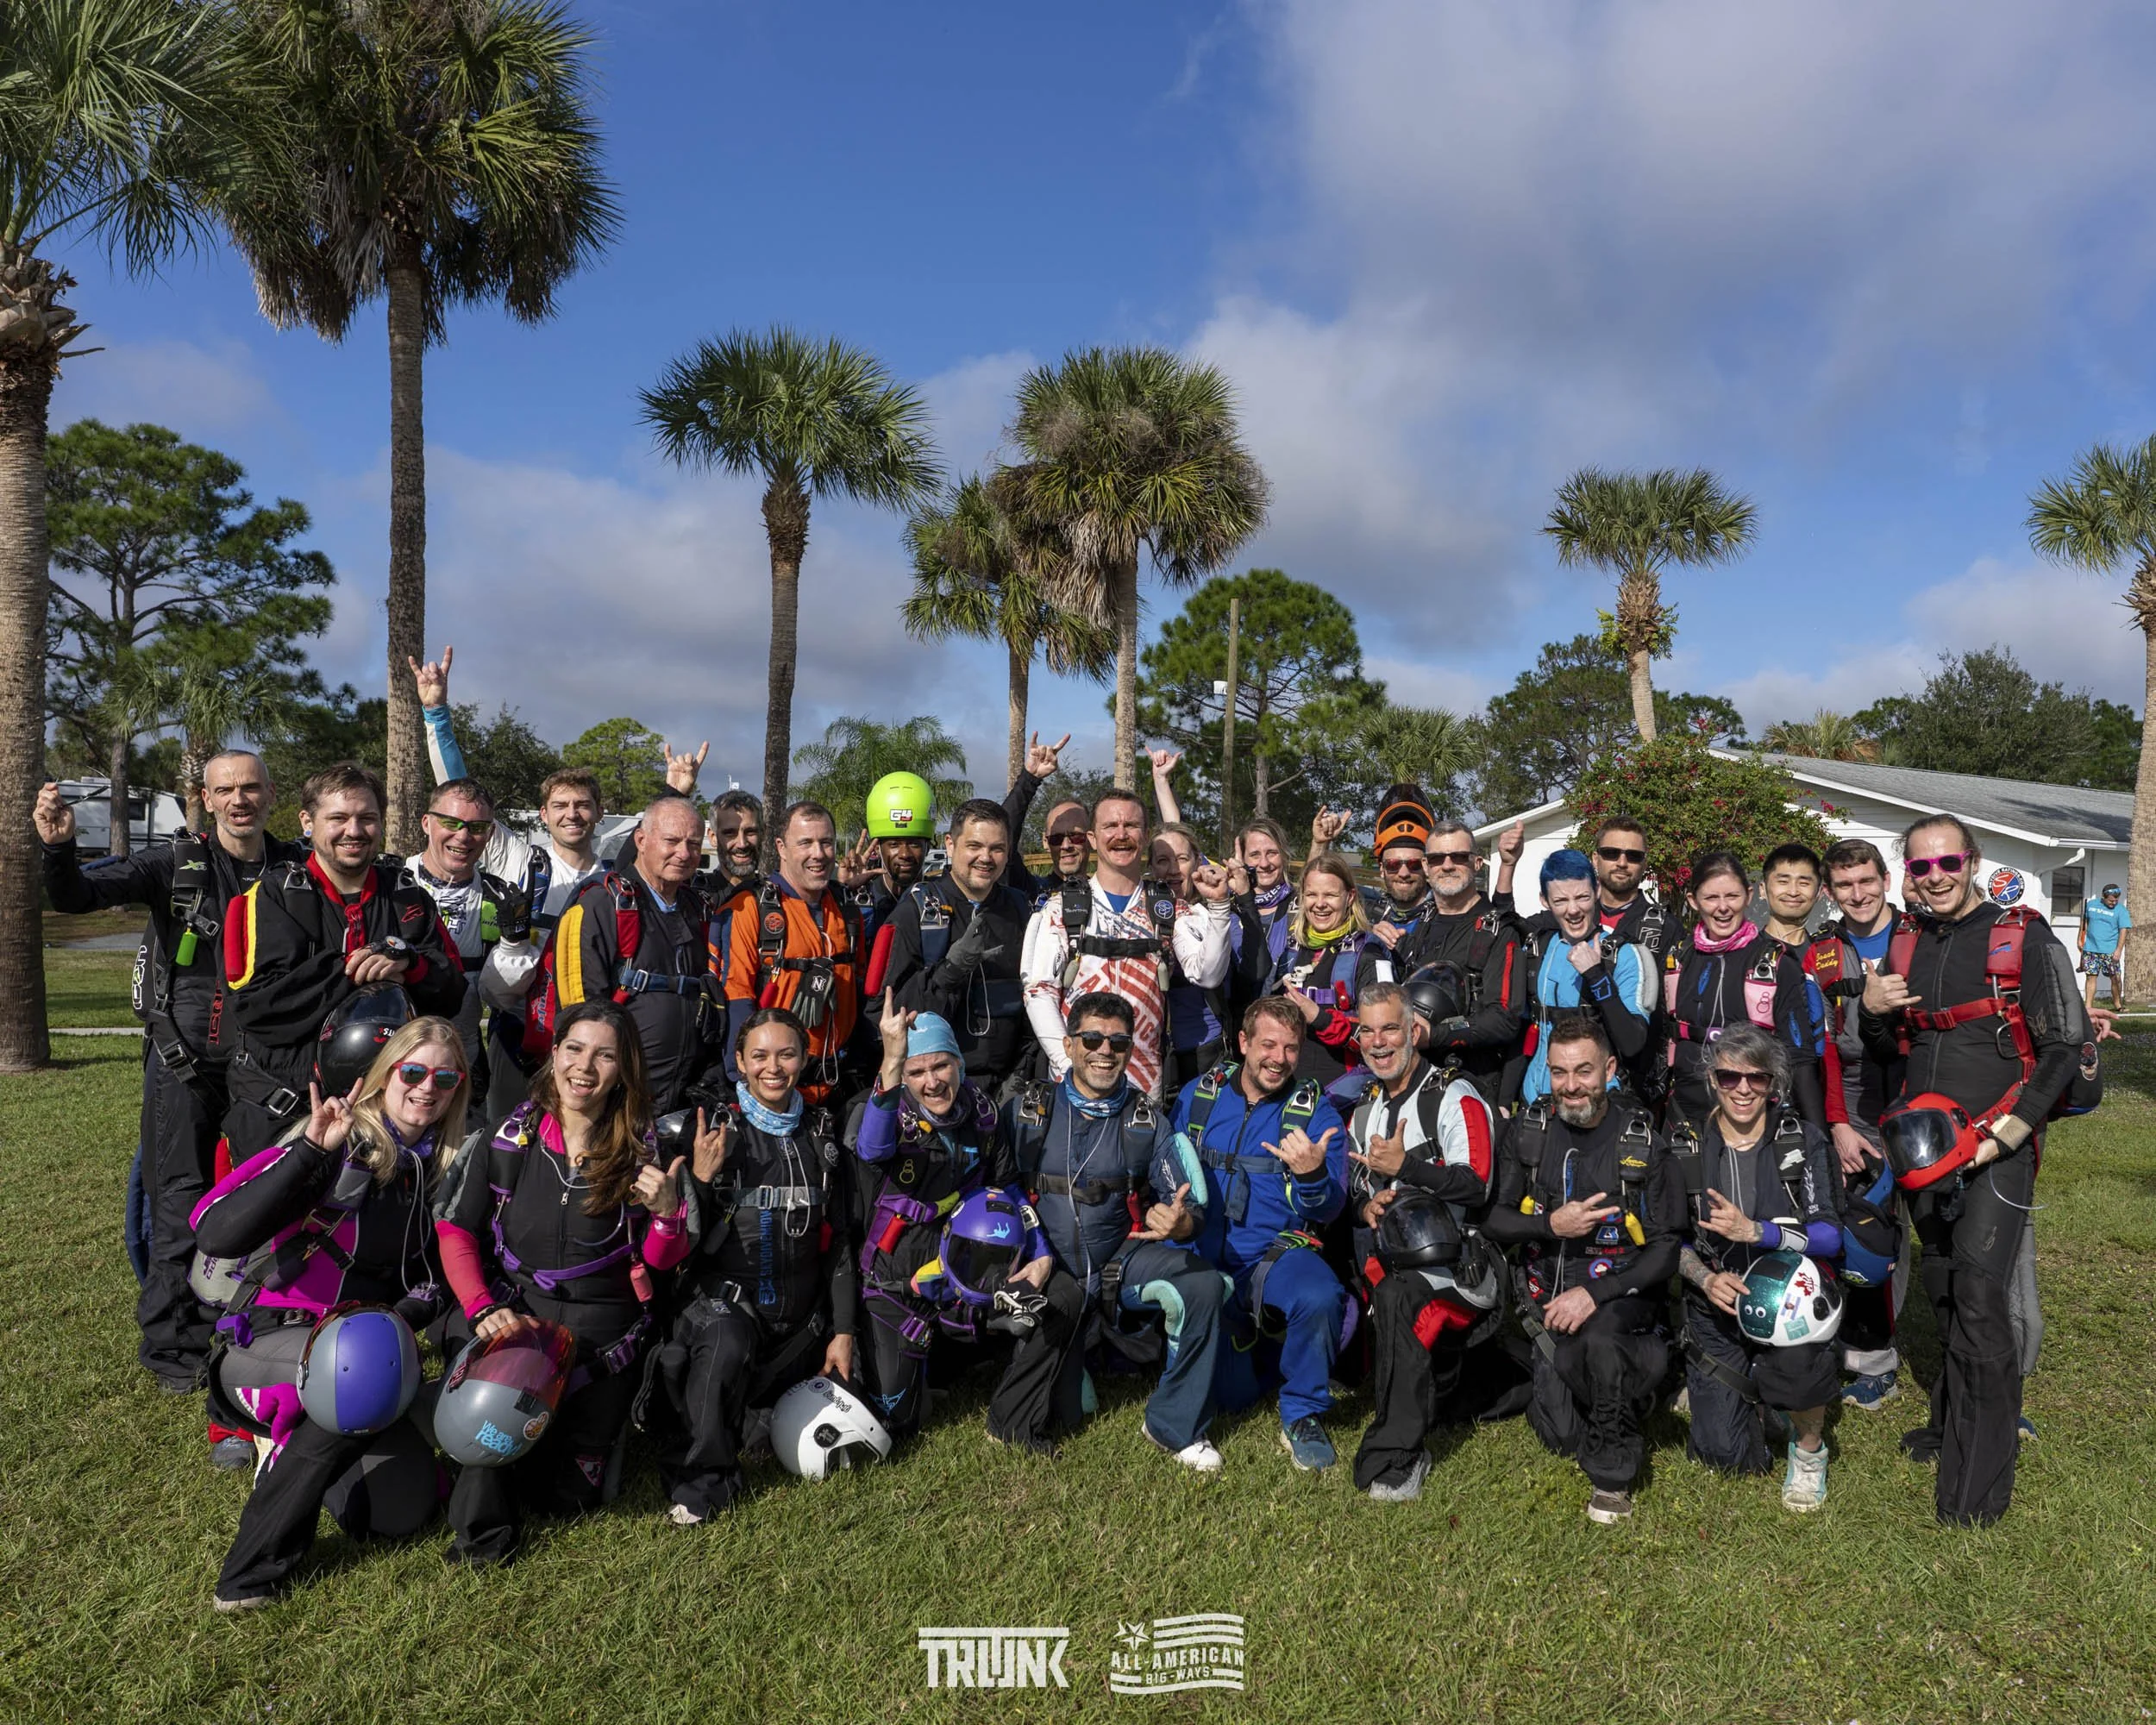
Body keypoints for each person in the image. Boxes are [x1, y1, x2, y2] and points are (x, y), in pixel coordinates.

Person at [35, 756, 305, 1394]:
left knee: (268, 1198)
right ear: (206, 799)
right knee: (178, 1203)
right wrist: (59, 846)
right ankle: (174, 1346)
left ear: (270, 794)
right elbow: (77, 897)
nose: (240, 800)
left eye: (250, 788)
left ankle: (266, 1324)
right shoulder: (173, 863)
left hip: (266, 1066)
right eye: (226, 791)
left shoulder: (296, 866)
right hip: (183, 1060)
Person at [194, 1019, 469, 1608]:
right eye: (412, 1072)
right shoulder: (337, 1140)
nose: (427, 1088)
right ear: (382, 1076)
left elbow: (435, 1282)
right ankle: (249, 1575)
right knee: (363, 1368)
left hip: (359, 1357)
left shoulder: (442, 1164)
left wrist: (408, 1317)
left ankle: (306, 1446)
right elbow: (216, 1230)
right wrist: (308, 1153)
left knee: (398, 1515)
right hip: (264, 1351)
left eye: (444, 1077)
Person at [1860, 813, 2082, 1526]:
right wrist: (1868, 1010)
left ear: (1973, 860)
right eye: (1921, 868)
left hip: (1997, 1146)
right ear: (1909, 875)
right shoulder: (1905, 941)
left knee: (1983, 1301)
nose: (1937, 877)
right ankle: (1948, 1423)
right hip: (1925, 1146)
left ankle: (1977, 1489)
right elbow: (1889, 1045)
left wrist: (2011, 1133)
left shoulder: (2021, 935)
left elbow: (2064, 1047)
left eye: (1948, 862)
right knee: (1945, 1286)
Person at [434, 1001, 692, 1565]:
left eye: (605, 1056)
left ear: (624, 1070)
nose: (585, 1067)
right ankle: (483, 1544)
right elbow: (454, 1229)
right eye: (574, 1049)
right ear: (553, 1056)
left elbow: (660, 1259)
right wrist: (480, 1308)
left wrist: (669, 1214)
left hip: (604, 1334)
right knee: (492, 1429)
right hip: (519, 1315)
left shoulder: (645, 1149)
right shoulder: (507, 1139)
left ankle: (567, 1441)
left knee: (569, 1500)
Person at [849, 999, 1084, 1452]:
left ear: (959, 1062)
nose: (932, 1081)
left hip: (968, 1270)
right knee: (898, 1422)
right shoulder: (886, 1108)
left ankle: (1009, 1416)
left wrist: (1039, 1255)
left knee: (1060, 1296)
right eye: (918, 1072)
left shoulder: (982, 1114)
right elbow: (873, 1150)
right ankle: (932, 1364)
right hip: (898, 1283)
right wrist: (893, 1059)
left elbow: (1011, 1190)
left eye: (941, 1065)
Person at [650, 1007, 856, 1525]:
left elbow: (840, 1243)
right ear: (739, 1061)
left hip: (802, 1326)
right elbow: (674, 1251)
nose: (773, 1067)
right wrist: (697, 1182)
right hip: (725, 1314)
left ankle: (754, 1418)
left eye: (786, 1054)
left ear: (805, 1059)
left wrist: (843, 1332)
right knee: (725, 1343)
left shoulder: (823, 1135)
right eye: (759, 1055)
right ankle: (704, 1484)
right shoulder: (709, 1131)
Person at [1006, 991, 1226, 1471]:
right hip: (1048, 1266)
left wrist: (1182, 1222)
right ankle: (1065, 1361)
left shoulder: (1148, 1121)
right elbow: (992, 1187)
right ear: (1068, 1045)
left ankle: (1174, 1425)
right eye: (1092, 1039)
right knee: (1070, 1413)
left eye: (1118, 1043)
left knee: (1203, 1284)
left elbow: (1192, 1205)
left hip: (1119, 1261)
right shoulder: (1027, 1112)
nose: (1105, 1051)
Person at [1483, 1014, 1684, 1524]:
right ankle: (1639, 1388)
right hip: (1548, 1297)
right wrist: (1552, 1225)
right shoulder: (1530, 1131)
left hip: (1620, 1298)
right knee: (1561, 1435)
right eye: (1558, 1072)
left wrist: (1598, 1295)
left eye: (1584, 1071)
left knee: (1602, 1344)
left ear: (1610, 1069)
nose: (1571, 1087)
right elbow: (1495, 1220)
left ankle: (1612, 1477)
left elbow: (1665, 1249)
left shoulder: (1643, 1143)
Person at [220, 762, 465, 1162]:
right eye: (338, 818)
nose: (354, 831)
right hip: (286, 1110)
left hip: (389, 1117)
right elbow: (257, 1007)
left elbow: (453, 992)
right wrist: (353, 968)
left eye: (367, 818)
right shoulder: (272, 897)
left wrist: (411, 965)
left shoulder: (409, 898)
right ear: (307, 822)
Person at [412, 649, 611, 1117]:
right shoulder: (521, 858)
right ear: (543, 816)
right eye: (560, 806)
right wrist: (436, 711)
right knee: (507, 1146)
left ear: (600, 814)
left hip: (588, 1041)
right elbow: (458, 798)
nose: (572, 815)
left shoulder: (615, 882)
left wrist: (676, 792)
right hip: (518, 1033)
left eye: (583, 805)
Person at [1345, 983, 1507, 1502]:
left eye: (1390, 1028)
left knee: (1400, 1300)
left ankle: (1398, 1457)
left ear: (1414, 1032)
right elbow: (1359, 1185)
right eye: (1367, 1030)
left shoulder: (1453, 1095)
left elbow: (1477, 1183)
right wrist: (1364, 1204)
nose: (1378, 1042)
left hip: (1461, 1265)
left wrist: (1408, 1167)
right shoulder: (1365, 1108)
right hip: (1393, 1257)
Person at [1175, 997, 1351, 1471]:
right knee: (1235, 1398)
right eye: (1268, 1044)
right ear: (1243, 1043)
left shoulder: (1317, 1115)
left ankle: (1303, 1413)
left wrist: (1313, 1175)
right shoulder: (1199, 1096)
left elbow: (1331, 1206)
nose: (1278, 1058)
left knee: (1320, 1293)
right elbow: (1168, 1168)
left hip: (1271, 1255)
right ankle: (1246, 1353)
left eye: (1291, 1049)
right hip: (1201, 1251)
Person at [1671, 1026, 1842, 1512]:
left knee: (1801, 1350)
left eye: (1757, 1079)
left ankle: (1809, 1453)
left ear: (1775, 1084)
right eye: (1729, 1077)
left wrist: (1759, 1233)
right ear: (1711, 1080)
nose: (1743, 1089)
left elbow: (1831, 1236)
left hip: (1792, 1299)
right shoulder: (1686, 1147)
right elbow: (1671, 1240)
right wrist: (1703, 1278)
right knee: (1726, 1457)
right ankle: (1757, 1396)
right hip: (1718, 1302)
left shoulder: (1803, 1141)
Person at [1022, 788, 1232, 1101]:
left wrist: (1219, 908)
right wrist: (1068, 1064)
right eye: (1110, 826)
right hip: (1073, 1085)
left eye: (1131, 826)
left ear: (1145, 836)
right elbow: (1039, 992)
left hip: (1143, 1086)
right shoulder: (1062, 907)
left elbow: (1207, 974)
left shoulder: (1168, 908)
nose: (1121, 835)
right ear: (1092, 838)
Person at [1813, 839, 1908, 1408]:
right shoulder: (1822, 951)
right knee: (1867, 1238)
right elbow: (1823, 1044)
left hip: (1926, 1104)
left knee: (1940, 1239)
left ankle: (1959, 1352)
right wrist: (1839, 1124)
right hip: (1856, 1113)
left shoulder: (1921, 935)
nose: (1858, 894)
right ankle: (1873, 1361)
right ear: (1830, 892)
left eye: (1866, 881)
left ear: (1886, 880)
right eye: (1844, 885)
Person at [556, 794, 723, 1114]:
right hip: (616, 1098)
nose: (684, 853)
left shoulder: (697, 908)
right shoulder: (602, 904)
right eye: (671, 841)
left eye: (693, 843)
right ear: (642, 841)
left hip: (686, 1099)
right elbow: (577, 1012)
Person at [874, 799, 1034, 1095]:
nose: (985, 858)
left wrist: (1025, 1071)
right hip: (935, 1089)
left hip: (1010, 1087)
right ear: (950, 844)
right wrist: (949, 973)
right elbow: (881, 1013)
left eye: (997, 849)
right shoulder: (917, 910)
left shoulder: (1020, 908)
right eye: (974, 846)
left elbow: (1034, 1004)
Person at [1660, 850, 1827, 1135]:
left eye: (1732, 897)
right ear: (1692, 901)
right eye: (1711, 898)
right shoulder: (1679, 958)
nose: (1723, 908)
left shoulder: (1775, 964)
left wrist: (1820, 1143)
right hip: (1685, 1116)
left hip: (1754, 1115)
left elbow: (1800, 1060)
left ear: (1749, 896)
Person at [721, 800, 867, 1107]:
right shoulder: (750, 909)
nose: (818, 854)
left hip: (839, 1087)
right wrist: (742, 1085)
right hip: (774, 1091)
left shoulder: (846, 910)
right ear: (781, 848)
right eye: (806, 843)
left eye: (826, 843)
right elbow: (737, 998)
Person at [1384, 820, 1528, 1107]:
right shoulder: (1418, 925)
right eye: (1437, 858)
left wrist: (1436, 1034)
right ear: (1425, 866)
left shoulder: (1499, 930)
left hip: (1471, 1088)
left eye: (1458, 857)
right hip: (1411, 1082)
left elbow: (1505, 1019)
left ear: (1476, 863)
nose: (1447, 865)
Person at [399, 775, 525, 1084]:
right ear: (427, 823)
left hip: (458, 1068)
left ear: (490, 833)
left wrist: (514, 946)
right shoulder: (391, 884)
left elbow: (500, 999)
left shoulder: (500, 898)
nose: (463, 836)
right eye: (451, 823)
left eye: (477, 827)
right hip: (391, 1060)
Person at [1518, 849, 1655, 1106]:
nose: (1573, 910)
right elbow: (1517, 1031)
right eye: (1560, 901)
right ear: (1545, 901)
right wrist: (1505, 1099)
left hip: (1594, 1102)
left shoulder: (1624, 956)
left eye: (1582, 897)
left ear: (1597, 892)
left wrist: (1596, 975)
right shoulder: (1536, 950)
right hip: (1535, 1100)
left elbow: (1633, 1043)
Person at [1269, 852, 1373, 1090]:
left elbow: (1384, 1037)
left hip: (1343, 1095)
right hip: (1287, 1090)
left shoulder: (1366, 954)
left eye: (1330, 895)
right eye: (1312, 895)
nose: (1320, 904)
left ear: (1349, 897)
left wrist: (1320, 1018)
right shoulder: (1289, 952)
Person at [1151, 821, 1233, 1087]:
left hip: (1204, 1052)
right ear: (1151, 866)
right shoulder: (1136, 913)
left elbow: (1208, 976)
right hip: (1146, 1052)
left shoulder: (1207, 915)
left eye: (1182, 859)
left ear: (1198, 861)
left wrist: (1220, 907)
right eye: (1163, 860)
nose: (1173, 869)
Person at [1225, 817, 1297, 1019]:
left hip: (1289, 1024)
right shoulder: (1228, 910)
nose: (1264, 863)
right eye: (1255, 855)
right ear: (1243, 860)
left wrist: (1319, 844)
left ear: (1283, 855)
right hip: (1242, 1027)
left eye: (1272, 853)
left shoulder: (1299, 904)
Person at [1360, 784, 1438, 963]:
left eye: (1414, 864)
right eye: (1393, 864)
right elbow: (1315, 890)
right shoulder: (1369, 909)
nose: (1403, 873)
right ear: (1381, 868)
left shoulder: (1446, 913)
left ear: (1426, 866)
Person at [2080, 881, 2132, 1010]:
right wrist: (2080, 939)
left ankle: (2118, 1005)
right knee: (2091, 977)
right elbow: (2085, 922)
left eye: (2116, 900)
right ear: (2103, 897)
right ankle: (2088, 1007)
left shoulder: (2121, 911)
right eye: (2111, 901)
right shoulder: (2091, 905)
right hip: (2091, 949)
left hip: (2109, 951)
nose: (2114, 903)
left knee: (2115, 978)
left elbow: (2123, 931)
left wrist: (2119, 950)